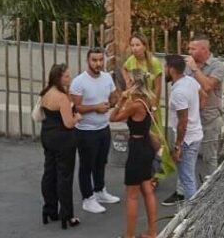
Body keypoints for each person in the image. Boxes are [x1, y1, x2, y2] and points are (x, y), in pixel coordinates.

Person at [69, 48, 120, 215]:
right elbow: (77, 107)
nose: (98, 63)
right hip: (85, 131)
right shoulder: (79, 82)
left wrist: (113, 102)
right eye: (94, 60)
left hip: (103, 128)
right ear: (87, 61)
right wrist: (95, 108)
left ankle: (99, 190)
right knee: (86, 165)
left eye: (100, 60)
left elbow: (113, 96)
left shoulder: (107, 78)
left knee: (101, 162)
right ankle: (88, 198)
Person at [109, 71, 158, 238]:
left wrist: (121, 99)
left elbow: (113, 118)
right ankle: (152, 232)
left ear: (134, 84)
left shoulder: (135, 104)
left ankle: (129, 235)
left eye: (129, 81)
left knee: (132, 196)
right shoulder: (149, 100)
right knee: (147, 190)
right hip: (146, 145)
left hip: (137, 148)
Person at [38, 63, 79, 229]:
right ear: (59, 78)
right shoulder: (61, 97)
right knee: (64, 177)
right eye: (67, 76)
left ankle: (49, 209)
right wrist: (78, 118)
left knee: (49, 172)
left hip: (47, 136)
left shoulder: (46, 93)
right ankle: (67, 214)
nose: (70, 78)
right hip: (63, 139)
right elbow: (69, 123)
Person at [184, 35, 224, 184]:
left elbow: (208, 86)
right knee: (187, 155)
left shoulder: (218, 66)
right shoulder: (188, 65)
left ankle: (212, 188)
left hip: (210, 117)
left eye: (193, 48)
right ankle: (181, 191)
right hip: (191, 117)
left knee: (210, 157)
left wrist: (195, 69)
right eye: (189, 48)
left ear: (204, 49)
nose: (189, 51)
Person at [162, 55, 202, 206]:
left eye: (165, 67)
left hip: (187, 139)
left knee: (187, 178)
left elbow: (182, 121)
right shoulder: (190, 81)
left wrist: (178, 146)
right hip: (195, 134)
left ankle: (191, 214)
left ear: (171, 69)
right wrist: (195, 116)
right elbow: (202, 96)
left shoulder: (178, 93)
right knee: (188, 175)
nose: (164, 70)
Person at [122, 35, 163, 107]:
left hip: (149, 102)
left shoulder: (154, 62)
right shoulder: (131, 59)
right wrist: (127, 81)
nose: (134, 48)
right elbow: (124, 68)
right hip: (134, 102)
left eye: (137, 45)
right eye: (132, 45)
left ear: (145, 47)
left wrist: (154, 106)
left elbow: (158, 87)